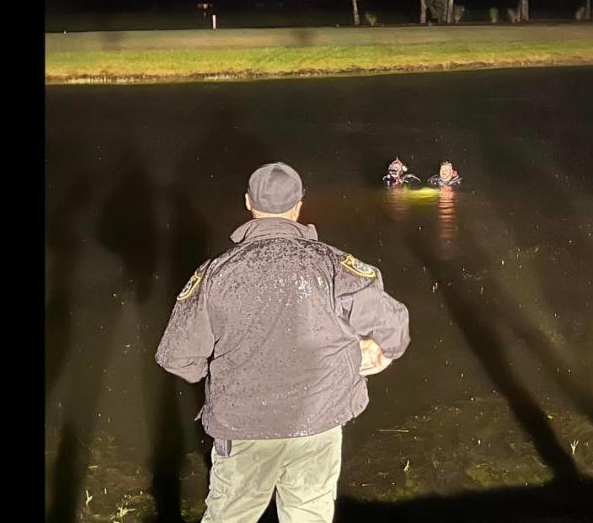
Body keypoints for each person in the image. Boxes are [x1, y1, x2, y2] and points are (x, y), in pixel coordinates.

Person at [155, 162, 410, 523]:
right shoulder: (332, 264)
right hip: (318, 425)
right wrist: (376, 353)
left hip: (244, 432)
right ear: (299, 205)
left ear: (248, 202)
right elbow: (393, 325)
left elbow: (178, 358)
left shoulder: (214, 274)